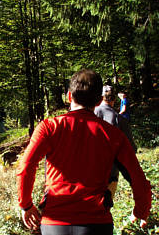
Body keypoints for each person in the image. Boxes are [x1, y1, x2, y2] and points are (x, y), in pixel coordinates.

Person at [17, 69, 151, 235]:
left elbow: (26, 166)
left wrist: (26, 204)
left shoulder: (49, 127)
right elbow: (136, 176)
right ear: (99, 101)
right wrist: (141, 210)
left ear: (69, 96)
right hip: (97, 224)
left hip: (55, 222)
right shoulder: (114, 134)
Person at [94, 85, 137, 198]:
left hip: (89, 172)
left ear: (100, 98)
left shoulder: (90, 114)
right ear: (114, 99)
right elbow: (132, 149)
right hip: (111, 173)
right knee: (105, 208)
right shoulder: (119, 119)